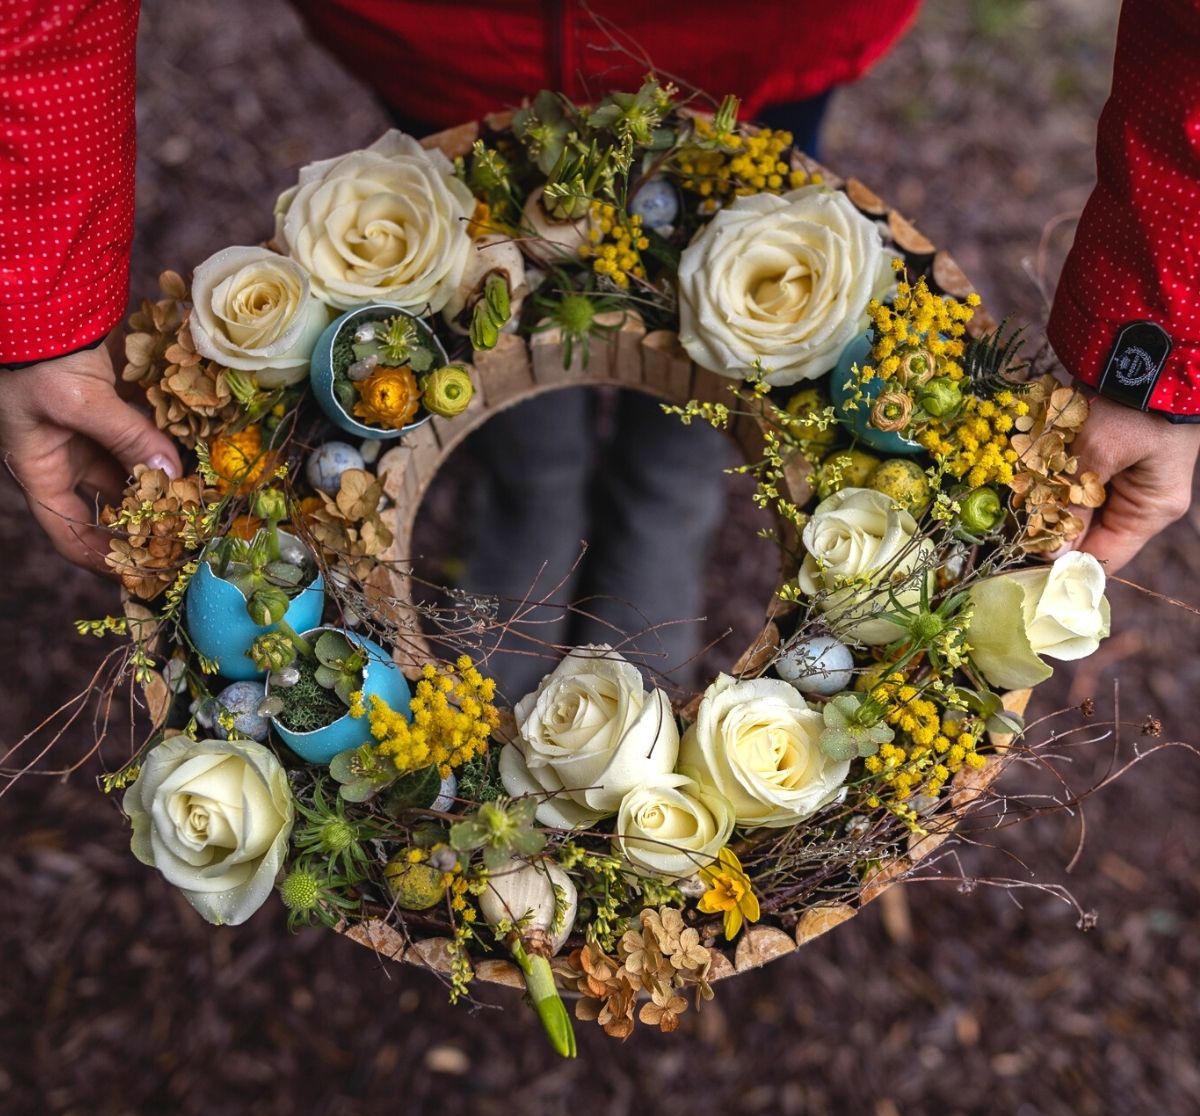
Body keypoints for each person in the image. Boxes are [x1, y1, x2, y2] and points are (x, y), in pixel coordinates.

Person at [1, 0, 1197, 671]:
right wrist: (37, 284)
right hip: (431, 27)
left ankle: (668, 494)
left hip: (764, 27)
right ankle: (533, 472)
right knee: (474, 263)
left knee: (757, 245)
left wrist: (1167, 319)